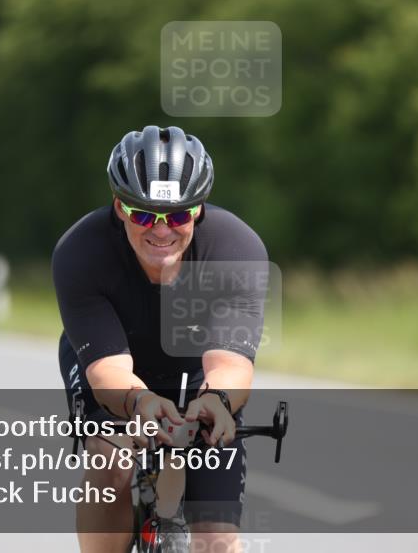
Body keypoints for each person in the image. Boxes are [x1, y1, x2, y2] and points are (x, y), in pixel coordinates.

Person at [54, 126, 268, 553]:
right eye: (143, 214)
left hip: (197, 371)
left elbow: (230, 363)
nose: (161, 230)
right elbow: (108, 370)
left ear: (198, 210)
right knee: (111, 458)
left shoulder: (235, 249)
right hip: (111, 362)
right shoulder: (81, 251)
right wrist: (140, 401)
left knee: (217, 540)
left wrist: (220, 401)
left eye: (176, 216)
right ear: (120, 207)